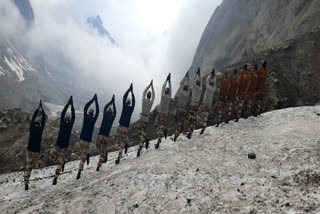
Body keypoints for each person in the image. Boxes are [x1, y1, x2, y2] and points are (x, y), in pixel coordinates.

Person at [51, 96, 75, 185]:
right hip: (64, 147)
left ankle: (59, 164)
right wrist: (72, 106)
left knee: (52, 155)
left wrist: (68, 104)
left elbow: (62, 113)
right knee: (59, 163)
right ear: (69, 119)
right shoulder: (70, 126)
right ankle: (56, 177)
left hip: (58, 145)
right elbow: (74, 116)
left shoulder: (62, 123)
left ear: (65, 119)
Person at [24, 100, 46, 190]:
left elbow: (33, 118)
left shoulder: (32, 128)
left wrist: (38, 109)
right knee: (39, 164)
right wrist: (42, 110)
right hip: (36, 152)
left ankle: (26, 181)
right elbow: (44, 120)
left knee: (28, 166)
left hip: (29, 150)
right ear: (39, 123)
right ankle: (37, 166)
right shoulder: (40, 130)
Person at [76, 94, 99, 179]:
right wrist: (96, 101)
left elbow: (85, 107)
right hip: (87, 141)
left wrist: (92, 100)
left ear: (89, 113)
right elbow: (98, 112)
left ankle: (87, 154)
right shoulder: (93, 119)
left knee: (79, 152)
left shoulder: (86, 117)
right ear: (93, 114)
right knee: (83, 157)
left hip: (81, 139)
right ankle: (79, 170)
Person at [115, 84, 135, 164]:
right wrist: (132, 93)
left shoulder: (124, 106)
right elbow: (134, 102)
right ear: (130, 103)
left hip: (121, 126)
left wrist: (128, 90)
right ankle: (119, 157)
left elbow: (124, 97)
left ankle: (123, 145)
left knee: (118, 140)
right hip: (126, 128)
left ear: (126, 102)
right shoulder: (131, 108)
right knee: (122, 142)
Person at [96, 95, 116, 170]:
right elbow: (115, 112)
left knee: (98, 145)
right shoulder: (112, 117)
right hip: (106, 136)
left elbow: (105, 107)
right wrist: (113, 103)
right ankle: (101, 160)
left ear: (108, 111)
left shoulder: (105, 115)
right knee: (102, 150)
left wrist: (111, 101)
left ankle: (99, 164)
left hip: (101, 134)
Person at [137, 80, 155, 157]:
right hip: (146, 120)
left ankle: (141, 147)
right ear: (150, 96)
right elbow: (154, 95)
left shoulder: (143, 100)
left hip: (141, 119)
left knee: (139, 133)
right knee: (142, 135)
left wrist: (149, 86)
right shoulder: (151, 102)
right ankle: (144, 142)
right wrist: (152, 87)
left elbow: (144, 92)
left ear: (147, 95)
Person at [154, 73, 171, 149]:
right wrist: (169, 82)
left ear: (165, 91)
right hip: (164, 115)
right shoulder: (169, 97)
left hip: (160, 113)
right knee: (161, 127)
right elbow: (169, 89)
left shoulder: (162, 96)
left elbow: (162, 87)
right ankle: (158, 142)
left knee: (156, 126)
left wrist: (166, 80)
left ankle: (163, 131)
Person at [173, 72, 189, 142]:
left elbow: (182, 84)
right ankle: (176, 137)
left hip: (180, 111)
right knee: (180, 126)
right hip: (181, 111)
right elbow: (183, 84)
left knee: (180, 126)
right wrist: (187, 78)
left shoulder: (184, 92)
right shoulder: (186, 93)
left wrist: (186, 78)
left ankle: (176, 136)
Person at [186, 68, 202, 139]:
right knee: (193, 118)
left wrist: (197, 74)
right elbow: (200, 83)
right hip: (197, 105)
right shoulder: (200, 88)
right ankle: (190, 131)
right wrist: (200, 76)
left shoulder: (195, 87)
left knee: (189, 117)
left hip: (192, 104)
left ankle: (189, 131)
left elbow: (193, 80)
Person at [199, 68, 216, 134]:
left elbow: (207, 81)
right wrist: (213, 77)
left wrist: (210, 75)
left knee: (202, 113)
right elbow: (213, 84)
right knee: (206, 115)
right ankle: (203, 126)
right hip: (209, 102)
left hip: (205, 101)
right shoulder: (212, 88)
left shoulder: (208, 86)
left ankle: (202, 126)